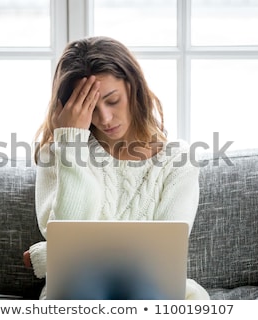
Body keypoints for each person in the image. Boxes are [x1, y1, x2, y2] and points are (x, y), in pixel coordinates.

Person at [23, 36, 209, 300]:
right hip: (79, 292)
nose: (104, 118)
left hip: (150, 290)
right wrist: (71, 143)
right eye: (90, 108)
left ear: (134, 88)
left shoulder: (178, 160)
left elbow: (161, 256)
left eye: (112, 100)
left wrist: (48, 255)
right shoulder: (60, 151)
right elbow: (67, 236)